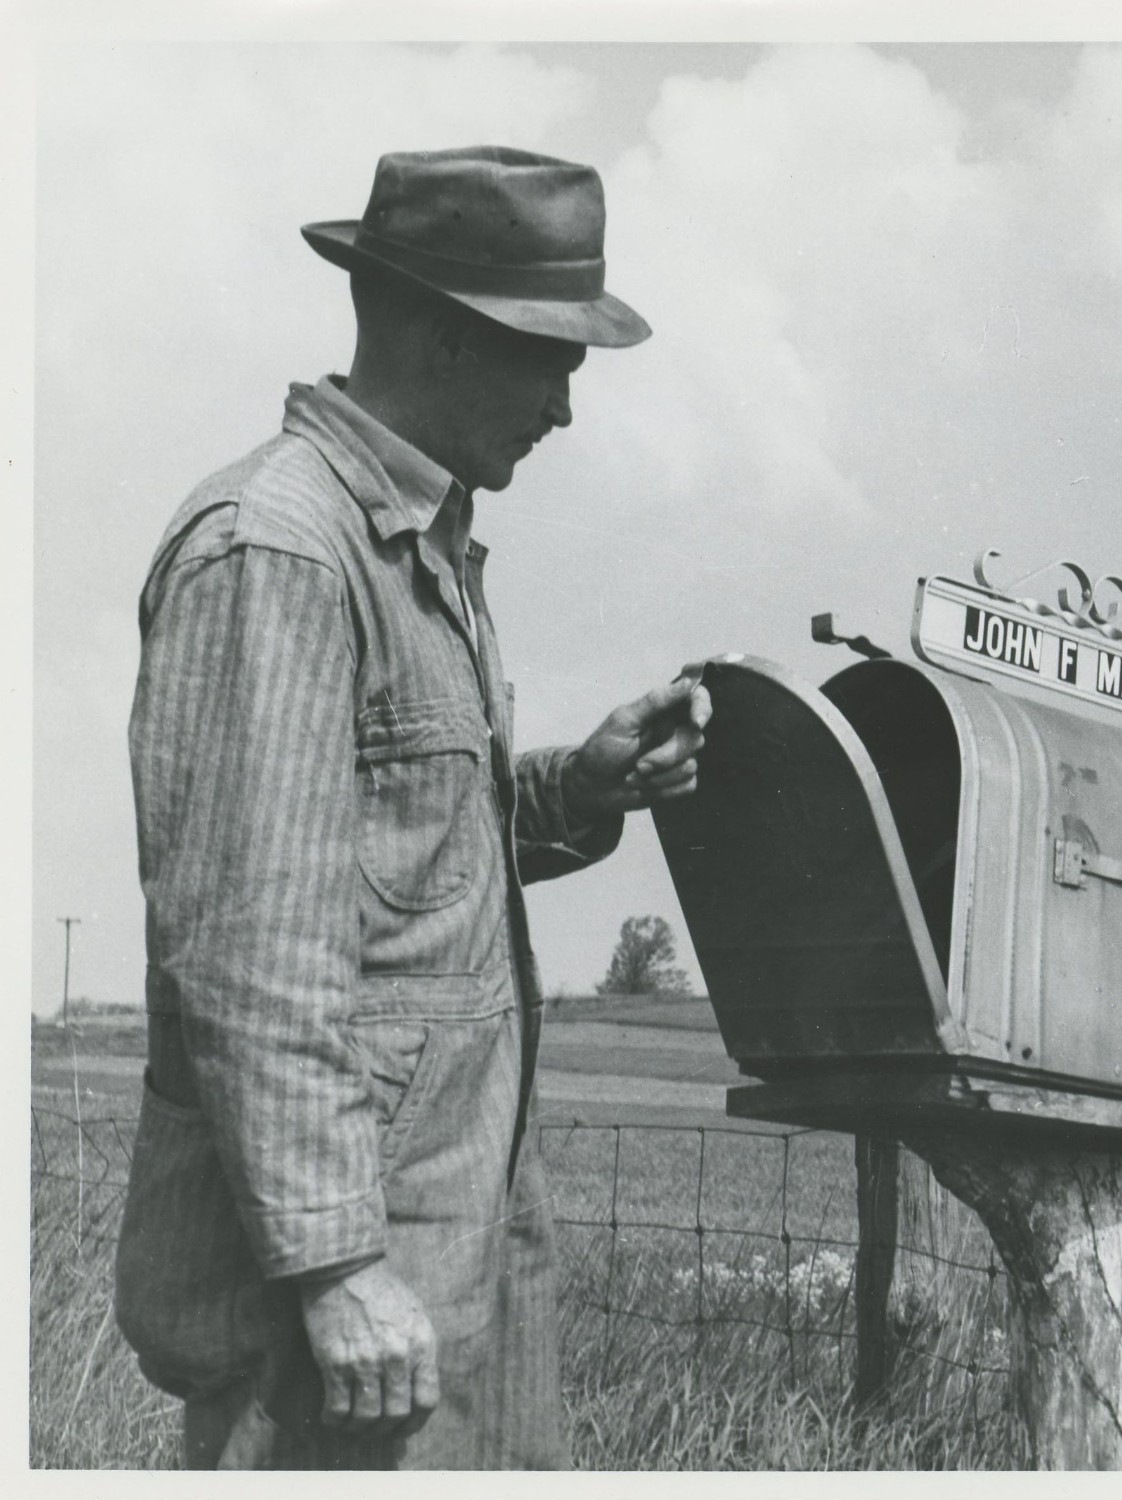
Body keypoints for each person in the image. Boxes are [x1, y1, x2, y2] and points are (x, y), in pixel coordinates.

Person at [115, 145, 709, 1469]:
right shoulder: (277, 549)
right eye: (553, 360)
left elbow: (382, 855)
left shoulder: (409, 546)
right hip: (334, 1316)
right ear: (446, 335)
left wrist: (576, 789)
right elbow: (249, 956)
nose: (564, 408)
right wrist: (331, 1267)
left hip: (449, 1266)